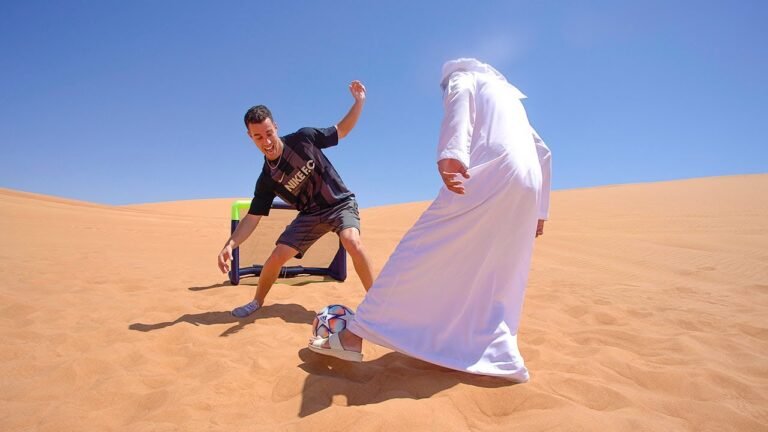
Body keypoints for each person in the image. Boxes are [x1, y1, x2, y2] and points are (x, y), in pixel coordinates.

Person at [308, 59, 552, 382]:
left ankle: (352, 337)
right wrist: (540, 210)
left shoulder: (464, 77)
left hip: (485, 175)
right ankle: (484, 353)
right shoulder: (510, 100)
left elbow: (460, 100)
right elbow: (544, 151)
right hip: (528, 187)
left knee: (416, 253)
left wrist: (452, 153)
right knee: (494, 270)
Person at [218, 81, 375, 318]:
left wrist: (359, 102)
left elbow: (341, 130)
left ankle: (377, 305)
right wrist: (230, 244)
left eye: (269, 133)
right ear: (250, 137)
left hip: (340, 203)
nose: (267, 142)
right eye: (258, 137)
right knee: (276, 257)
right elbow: (252, 218)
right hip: (310, 216)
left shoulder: (304, 139)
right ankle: (257, 302)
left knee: (351, 241)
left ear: (276, 127)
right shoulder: (267, 179)